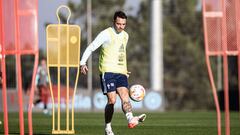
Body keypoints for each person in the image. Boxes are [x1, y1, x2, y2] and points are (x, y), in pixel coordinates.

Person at [80, 11, 146, 135]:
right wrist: (82, 63)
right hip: (108, 71)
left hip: (120, 72)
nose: (121, 26)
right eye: (118, 24)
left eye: (123, 24)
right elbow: (91, 47)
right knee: (112, 100)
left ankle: (130, 118)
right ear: (113, 22)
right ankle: (108, 127)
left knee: (125, 97)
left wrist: (124, 69)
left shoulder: (126, 36)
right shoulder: (106, 34)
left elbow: (121, 53)